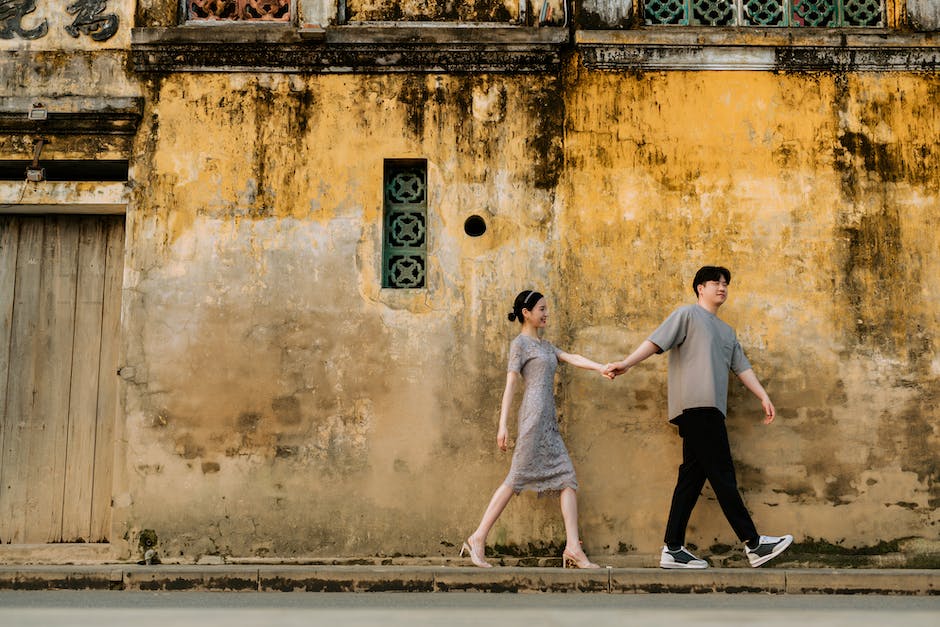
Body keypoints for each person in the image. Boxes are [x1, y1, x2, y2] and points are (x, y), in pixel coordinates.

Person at [604, 266, 792, 569]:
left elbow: (741, 367)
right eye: (715, 282)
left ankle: (673, 548)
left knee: (691, 479)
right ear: (700, 288)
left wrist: (762, 395)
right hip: (694, 407)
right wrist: (626, 363)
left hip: (713, 410)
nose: (722, 287)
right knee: (722, 473)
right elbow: (656, 342)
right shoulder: (687, 315)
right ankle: (754, 544)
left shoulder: (727, 332)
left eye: (726, 283)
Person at [461, 289, 609, 569]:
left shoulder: (545, 346)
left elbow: (573, 357)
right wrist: (502, 424)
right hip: (531, 418)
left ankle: (573, 549)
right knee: (515, 479)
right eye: (541, 309)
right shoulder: (520, 345)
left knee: (567, 479)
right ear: (526, 313)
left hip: (549, 423)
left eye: (546, 308)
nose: (546, 313)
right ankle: (477, 538)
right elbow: (511, 384)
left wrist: (601, 367)